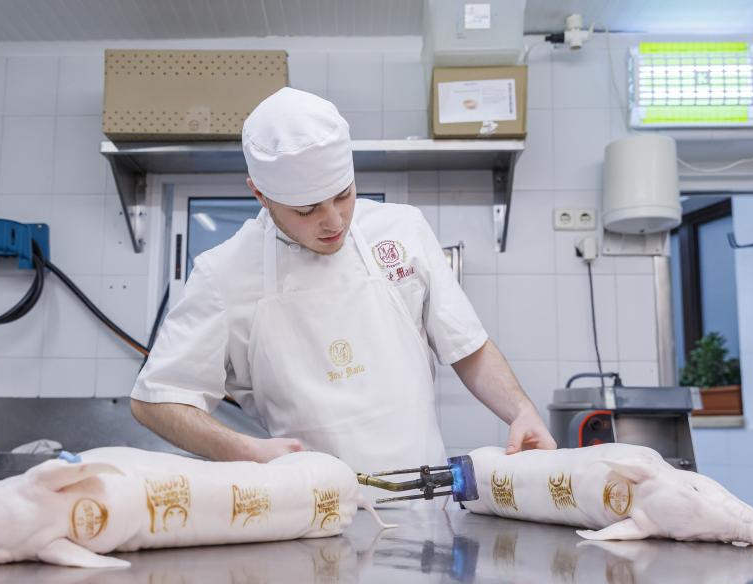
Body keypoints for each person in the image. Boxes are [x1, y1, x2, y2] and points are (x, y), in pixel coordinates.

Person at [130, 87, 555, 485]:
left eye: (343, 195)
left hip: (425, 508)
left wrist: (522, 411)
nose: (333, 221)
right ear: (259, 194)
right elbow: (157, 399)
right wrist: (244, 450)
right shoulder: (223, 273)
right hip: (305, 518)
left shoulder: (402, 229)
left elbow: (467, 347)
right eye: (306, 209)